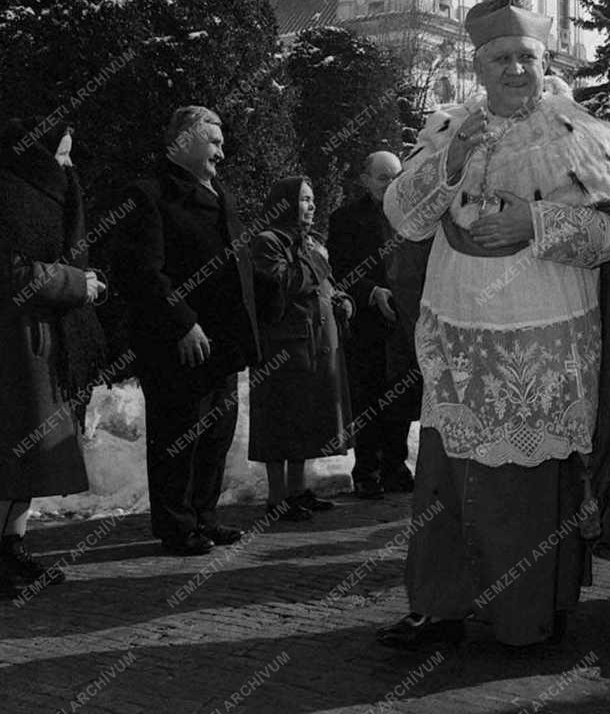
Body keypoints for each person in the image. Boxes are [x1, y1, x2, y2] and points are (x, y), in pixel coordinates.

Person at [377, 0, 610, 650]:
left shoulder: (579, 131)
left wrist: (539, 222)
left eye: (526, 56)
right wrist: (454, 159)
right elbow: (404, 220)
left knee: (529, 489)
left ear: (543, 56)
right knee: (446, 483)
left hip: (546, 338)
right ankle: (438, 609)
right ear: (479, 65)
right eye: (502, 59)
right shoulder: (448, 125)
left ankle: (530, 613)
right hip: (459, 337)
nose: (516, 70)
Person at [110, 106, 260, 556]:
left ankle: (204, 516)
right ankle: (176, 525)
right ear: (182, 141)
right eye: (212, 140)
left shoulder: (220, 194)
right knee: (179, 437)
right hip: (178, 344)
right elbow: (140, 272)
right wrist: (183, 323)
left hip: (223, 343)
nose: (222, 149)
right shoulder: (148, 195)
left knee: (215, 434)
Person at [0, 120, 108, 596]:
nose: (66, 167)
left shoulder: (43, 197)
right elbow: (10, 268)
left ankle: (12, 549)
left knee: (30, 461)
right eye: (59, 156)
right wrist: (72, 282)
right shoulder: (9, 196)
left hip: (42, 341)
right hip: (14, 345)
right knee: (12, 455)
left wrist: (82, 284)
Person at [249, 177, 354, 521]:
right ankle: (276, 498)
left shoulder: (310, 243)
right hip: (283, 347)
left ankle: (297, 491)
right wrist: (318, 263)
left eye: (312, 200)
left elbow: (324, 286)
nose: (311, 206)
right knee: (280, 420)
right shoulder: (267, 242)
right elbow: (283, 283)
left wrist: (340, 299)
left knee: (304, 417)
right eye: (304, 200)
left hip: (316, 344)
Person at [327, 151, 415, 498]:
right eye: (383, 178)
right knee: (369, 398)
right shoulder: (346, 218)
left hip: (404, 324)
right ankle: (367, 470)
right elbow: (340, 269)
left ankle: (396, 465)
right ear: (365, 180)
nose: (391, 184)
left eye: (396, 177)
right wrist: (371, 292)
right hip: (366, 324)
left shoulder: (412, 216)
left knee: (403, 397)